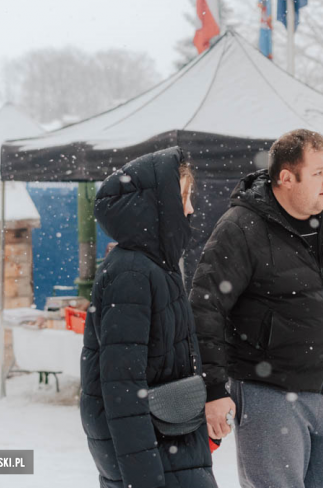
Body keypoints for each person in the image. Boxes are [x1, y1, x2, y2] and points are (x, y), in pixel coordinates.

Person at [190, 129, 323, 488]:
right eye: (318, 172)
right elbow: (205, 308)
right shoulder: (241, 227)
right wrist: (212, 388)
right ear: (286, 178)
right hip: (269, 391)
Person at [79, 148, 218, 488]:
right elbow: (122, 388)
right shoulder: (132, 273)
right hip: (154, 452)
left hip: (170, 441)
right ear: (159, 205)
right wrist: (144, 478)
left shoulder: (155, 266)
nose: (190, 208)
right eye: (183, 197)